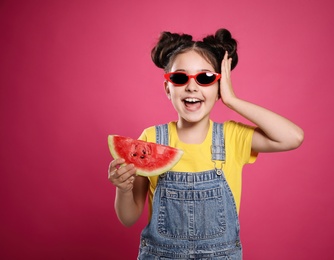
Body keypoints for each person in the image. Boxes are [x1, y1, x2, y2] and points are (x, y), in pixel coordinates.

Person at [108, 28, 304, 259]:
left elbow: (293, 137)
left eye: (205, 78)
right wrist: (123, 189)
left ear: (219, 88)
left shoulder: (232, 136)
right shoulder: (150, 138)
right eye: (180, 78)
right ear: (167, 89)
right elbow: (128, 218)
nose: (192, 87)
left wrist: (232, 100)